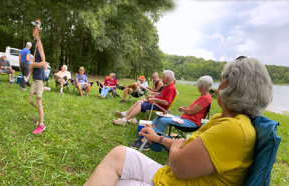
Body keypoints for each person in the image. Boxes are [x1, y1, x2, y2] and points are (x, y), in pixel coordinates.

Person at [86, 56, 272, 185]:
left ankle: (132, 123)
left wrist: (176, 147)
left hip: (175, 178)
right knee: (119, 155)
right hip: (171, 177)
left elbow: (179, 165)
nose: (218, 86)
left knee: (117, 178)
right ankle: (137, 127)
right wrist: (160, 139)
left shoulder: (234, 129)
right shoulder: (223, 119)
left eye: (222, 79)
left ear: (231, 86)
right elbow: (186, 147)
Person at [128, 76, 213, 150]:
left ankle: (151, 142)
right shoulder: (203, 97)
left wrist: (184, 110)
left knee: (163, 121)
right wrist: (185, 108)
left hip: (192, 123)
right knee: (159, 117)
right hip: (185, 118)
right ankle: (147, 138)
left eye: (198, 84)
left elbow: (191, 111)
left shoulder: (205, 98)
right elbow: (193, 109)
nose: (197, 86)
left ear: (201, 86)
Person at [113, 70, 178, 125]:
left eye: (163, 77)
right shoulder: (167, 86)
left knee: (140, 104)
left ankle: (124, 120)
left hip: (158, 106)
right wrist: (153, 96)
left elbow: (166, 103)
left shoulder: (171, 88)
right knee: (139, 101)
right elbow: (161, 96)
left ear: (168, 78)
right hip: (155, 103)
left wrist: (153, 99)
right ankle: (125, 114)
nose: (161, 78)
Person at [26, 19, 48, 134]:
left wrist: (33, 64)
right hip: (34, 77)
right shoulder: (35, 44)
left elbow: (43, 62)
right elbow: (34, 61)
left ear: (38, 30)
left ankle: (41, 124)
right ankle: (38, 117)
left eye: (34, 28)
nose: (33, 30)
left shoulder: (39, 44)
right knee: (30, 99)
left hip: (39, 78)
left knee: (38, 101)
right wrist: (29, 74)